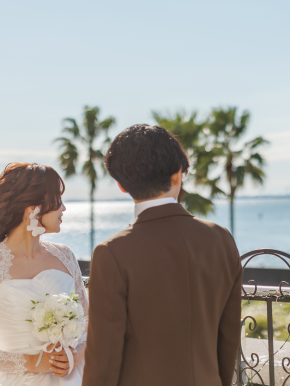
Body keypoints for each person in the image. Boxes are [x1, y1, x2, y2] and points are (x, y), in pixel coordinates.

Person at [82, 124, 242, 386]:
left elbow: (104, 359)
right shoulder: (222, 239)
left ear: (121, 185)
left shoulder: (112, 252)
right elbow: (229, 337)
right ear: (178, 175)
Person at [0, 163, 88, 386]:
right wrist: (33, 362)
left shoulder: (65, 256)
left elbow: (88, 324)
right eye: (57, 200)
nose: (63, 208)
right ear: (32, 209)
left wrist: (76, 355)